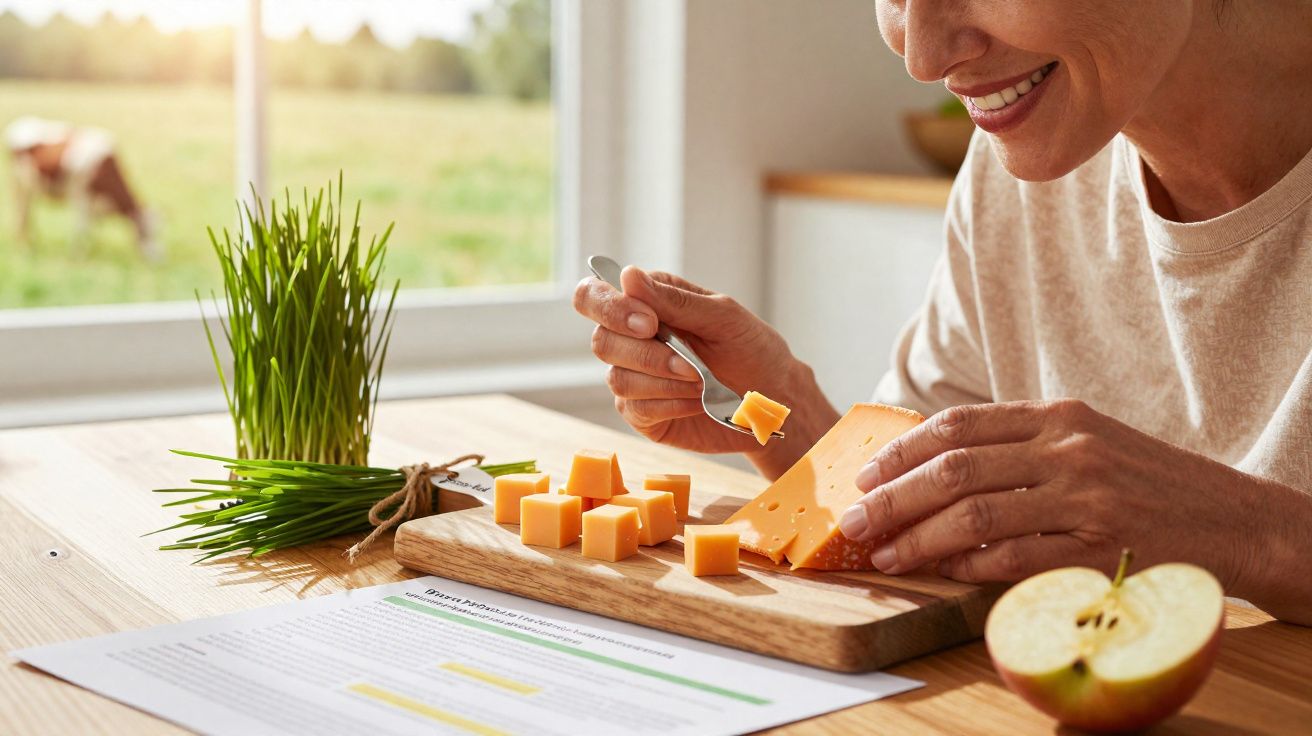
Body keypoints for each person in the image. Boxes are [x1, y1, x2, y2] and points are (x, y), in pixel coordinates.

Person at [573, 0, 1312, 625]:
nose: (923, 57)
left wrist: (1244, 535)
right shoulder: (1025, 160)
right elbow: (925, 515)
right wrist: (784, 415)